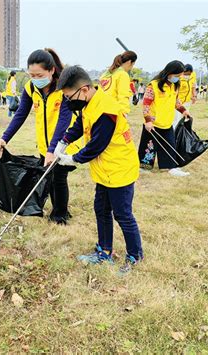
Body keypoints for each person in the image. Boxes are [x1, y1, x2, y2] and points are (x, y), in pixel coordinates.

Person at [54, 65, 143, 274]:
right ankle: (104, 251)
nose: (68, 101)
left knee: (122, 214)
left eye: (69, 96)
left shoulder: (107, 110)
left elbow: (97, 145)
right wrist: (64, 140)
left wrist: (73, 159)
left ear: (84, 90)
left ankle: (135, 256)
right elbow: (80, 124)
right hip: (104, 170)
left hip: (119, 168)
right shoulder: (89, 103)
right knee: (101, 210)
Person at [0, 48, 80, 225]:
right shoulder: (31, 88)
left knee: (59, 177)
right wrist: (4, 138)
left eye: (39, 75)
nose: (35, 79)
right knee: (50, 178)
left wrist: (53, 150)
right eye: (31, 75)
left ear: (51, 70)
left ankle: (60, 214)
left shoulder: (63, 89)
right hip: (43, 144)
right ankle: (59, 210)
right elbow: (20, 114)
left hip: (63, 143)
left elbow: (64, 120)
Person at [138, 60, 192, 176]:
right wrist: (148, 121)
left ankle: (170, 167)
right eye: (177, 75)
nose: (178, 78)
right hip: (153, 124)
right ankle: (144, 167)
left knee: (169, 146)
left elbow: (176, 101)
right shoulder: (153, 85)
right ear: (169, 73)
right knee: (149, 147)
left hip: (167, 122)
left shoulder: (174, 86)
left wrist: (183, 110)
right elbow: (146, 104)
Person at [99, 51, 138, 115]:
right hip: (112, 112)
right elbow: (123, 96)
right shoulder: (122, 75)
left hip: (100, 110)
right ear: (129, 62)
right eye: (133, 65)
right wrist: (124, 113)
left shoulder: (106, 74)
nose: (132, 67)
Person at [174, 64, 197, 129]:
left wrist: (194, 96)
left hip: (187, 100)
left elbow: (193, 86)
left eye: (189, 74)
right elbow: (175, 90)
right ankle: (175, 132)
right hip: (178, 101)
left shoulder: (193, 75)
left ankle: (184, 132)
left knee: (186, 116)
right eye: (186, 74)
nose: (187, 75)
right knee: (177, 118)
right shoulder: (178, 77)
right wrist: (176, 100)